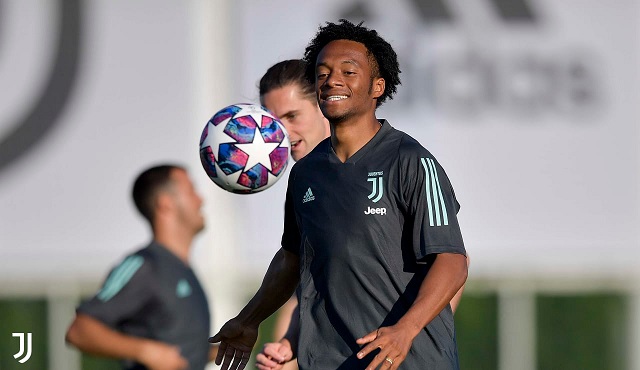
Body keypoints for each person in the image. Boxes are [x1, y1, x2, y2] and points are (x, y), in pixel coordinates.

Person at [210, 19, 467, 370]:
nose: (332, 80)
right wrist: (249, 319)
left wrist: (405, 330)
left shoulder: (411, 161)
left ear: (378, 86)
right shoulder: (305, 173)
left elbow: (452, 261)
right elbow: (292, 260)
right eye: (323, 72)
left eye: (348, 71)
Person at [66, 164, 216, 370]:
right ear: (166, 203)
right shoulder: (144, 266)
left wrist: (228, 347)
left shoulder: (184, 270)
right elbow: (80, 330)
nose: (201, 200)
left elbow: (179, 354)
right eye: (191, 190)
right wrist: (146, 351)